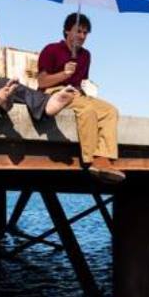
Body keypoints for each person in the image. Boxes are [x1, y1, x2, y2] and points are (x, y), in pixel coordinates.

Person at [37, 13, 125, 184]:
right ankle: (91, 159)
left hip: (76, 93)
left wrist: (86, 88)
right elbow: (42, 81)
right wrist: (64, 74)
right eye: (78, 31)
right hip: (53, 93)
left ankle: (103, 159)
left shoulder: (86, 55)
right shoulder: (51, 49)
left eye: (85, 33)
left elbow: (81, 83)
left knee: (110, 111)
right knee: (88, 111)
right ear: (66, 31)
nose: (82, 36)